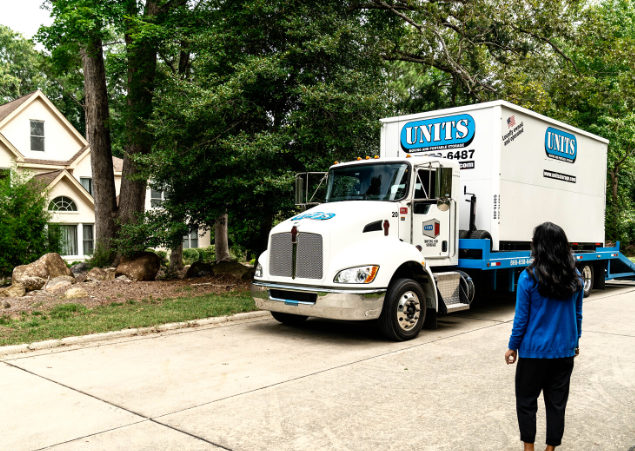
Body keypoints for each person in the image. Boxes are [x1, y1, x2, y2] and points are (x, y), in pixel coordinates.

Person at [505, 222, 584, 451]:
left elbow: (521, 318)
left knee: (527, 401)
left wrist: (512, 347)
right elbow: (577, 314)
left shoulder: (528, 277)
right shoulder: (575, 276)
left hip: (533, 352)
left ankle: (529, 448)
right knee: (557, 404)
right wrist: (575, 341)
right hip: (564, 351)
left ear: (538, 246)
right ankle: (550, 449)